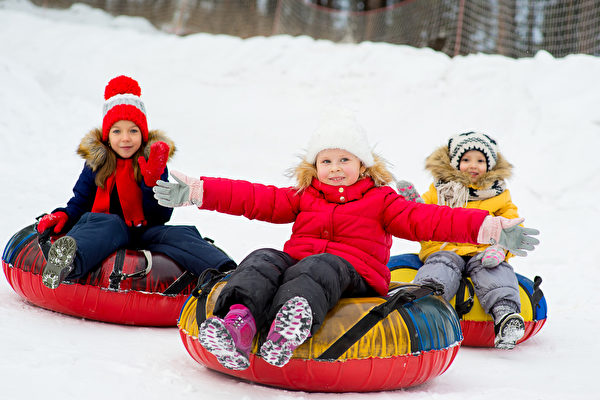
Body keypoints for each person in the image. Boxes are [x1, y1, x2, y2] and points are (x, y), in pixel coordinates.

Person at [153, 112, 539, 369]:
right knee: (264, 256)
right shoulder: (304, 196)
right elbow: (252, 197)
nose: (336, 169)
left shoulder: (383, 200)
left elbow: (431, 218)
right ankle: (238, 324)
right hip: (302, 265)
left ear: (363, 165)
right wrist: (195, 191)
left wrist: (493, 228)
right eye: (327, 162)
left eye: (345, 161)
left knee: (320, 265)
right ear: (314, 167)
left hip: (355, 274)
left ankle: (291, 326)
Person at [37, 75, 236, 289]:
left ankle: (224, 273)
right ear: (107, 135)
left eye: (133, 130)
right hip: (106, 230)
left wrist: (152, 182)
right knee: (110, 223)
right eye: (117, 131)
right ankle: (68, 263)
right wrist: (64, 215)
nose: (125, 138)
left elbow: (161, 216)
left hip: (144, 231)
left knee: (179, 234)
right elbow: (80, 202)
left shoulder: (152, 162)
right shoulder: (96, 164)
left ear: (143, 134)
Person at [403, 131, 534, 349]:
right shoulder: (440, 190)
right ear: (454, 163)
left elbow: (511, 222)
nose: (473, 165)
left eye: (480, 160)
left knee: (495, 270)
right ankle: (424, 310)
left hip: (483, 250)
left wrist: (501, 249)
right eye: (466, 159)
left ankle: (505, 316)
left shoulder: (498, 194)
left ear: (490, 165)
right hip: (445, 248)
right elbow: (423, 218)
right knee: (440, 267)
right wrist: (413, 207)